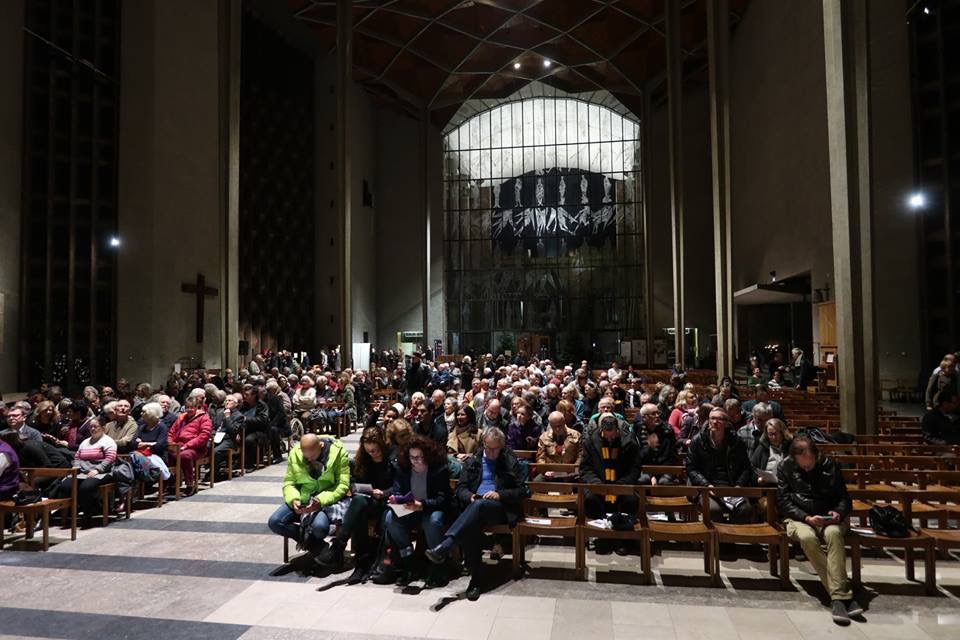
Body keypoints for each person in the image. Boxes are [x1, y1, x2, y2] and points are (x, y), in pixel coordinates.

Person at [425, 427, 531, 600]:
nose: (492, 452)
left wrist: (500, 494)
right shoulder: (473, 461)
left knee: (478, 509)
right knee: (472, 522)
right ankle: (475, 578)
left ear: (502, 447)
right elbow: (461, 489)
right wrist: (470, 496)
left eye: (496, 449)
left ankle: (446, 545)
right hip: (474, 506)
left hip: (500, 508)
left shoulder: (510, 461)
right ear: (483, 444)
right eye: (489, 448)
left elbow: (523, 491)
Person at [777, 434, 861, 624]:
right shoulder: (785, 466)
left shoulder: (830, 465)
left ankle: (837, 597)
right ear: (794, 458)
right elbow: (783, 502)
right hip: (799, 517)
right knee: (807, 538)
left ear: (816, 455)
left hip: (827, 517)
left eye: (810, 464)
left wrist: (838, 513)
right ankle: (841, 595)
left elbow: (844, 498)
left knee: (834, 533)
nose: (807, 468)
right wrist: (806, 517)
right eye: (803, 466)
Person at [316, 427, 393, 581]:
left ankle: (340, 548)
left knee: (358, 506)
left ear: (383, 445)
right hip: (368, 500)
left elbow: (400, 485)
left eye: (376, 450)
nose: (373, 454)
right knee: (359, 508)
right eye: (369, 451)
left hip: (388, 502)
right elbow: (354, 481)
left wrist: (384, 493)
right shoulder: (364, 460)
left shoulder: (393, 458)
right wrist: (357, 488)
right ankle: (361, 564)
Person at [373, 435, 451, 587]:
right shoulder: (402, 467)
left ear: (427, 455)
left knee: (433, 521)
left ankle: (439, 564)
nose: (417, 461)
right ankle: (409, 561)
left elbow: (443, 498)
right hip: (410, 507)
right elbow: (398, 490)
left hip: (431, 508)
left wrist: (422, 504)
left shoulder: (439, 468)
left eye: (420, 457)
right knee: (390, 518)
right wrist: (396, 499)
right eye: (413, 457)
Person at [267, 433, 351, 554]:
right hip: (303, 498)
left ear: (321, 446)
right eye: (306, 457)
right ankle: (316, 546)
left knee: (319, 529)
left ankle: (313, 545)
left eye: (312, 456)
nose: (309, 460)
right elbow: (289, 482)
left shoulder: (338, 453)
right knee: (274, 522)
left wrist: (320, 500)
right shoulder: (295, 454)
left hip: (325, 500)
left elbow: (342, 485)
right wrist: (294, 499)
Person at [579, 414, 641, 554]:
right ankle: (602, 537)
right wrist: (596, 483)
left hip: (622, 484)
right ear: (602, 430)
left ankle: (622, 538)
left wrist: (622, 484)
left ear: (617, 430)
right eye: (607, 437)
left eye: (612, 437)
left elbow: (635, 468)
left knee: (631, 501)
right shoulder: (591, 442)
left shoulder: (629, 442)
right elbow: (585, 468)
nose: (609, 439)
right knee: (591, 500)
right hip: (599, 484)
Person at [685, 408, 754, 524]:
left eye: (719, 419)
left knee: (744, 510)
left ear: (726, 423)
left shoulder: (736, 442)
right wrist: (706, 485)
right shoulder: (698, 441)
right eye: (712, 418)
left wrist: (739, 485)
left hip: (731, 486)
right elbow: (691, 468)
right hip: (707, 487)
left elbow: (746, 467)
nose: (715, 422)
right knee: (714, 511)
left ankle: (731, 534)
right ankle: (716, 535)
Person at [56, 420, 117, 527]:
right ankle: (69, 515)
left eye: (95, 426)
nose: (92, 429)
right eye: (91, 427)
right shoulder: (85, 442)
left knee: (85, 487)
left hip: (101, 472)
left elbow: (110, 458)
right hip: (82, 472)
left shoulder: (108, 441)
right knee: (65, 485)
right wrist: (76, 468)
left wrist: (98, 470)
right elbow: (77, 457)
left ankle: (87, 514)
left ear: (103, 428)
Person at [166, 393, 212, 496]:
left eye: (192, 407)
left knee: (184, 456)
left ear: (197, 407)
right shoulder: (181, 418)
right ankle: (172, 483)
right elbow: (171, 433)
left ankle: (190, 484)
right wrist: (171, 443)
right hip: (179, 446)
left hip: (196, 448)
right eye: (187, 407)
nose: (189, 410)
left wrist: (187, 445)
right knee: (166, 454)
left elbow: (203, 436)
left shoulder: (204, 418)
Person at [635, 403, 679, 484]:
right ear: (644, 417)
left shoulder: (667, 430)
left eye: (658, 413)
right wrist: (649, 448)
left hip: (665, 468)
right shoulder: (637, 429)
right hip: (645, 468)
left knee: (664, 482)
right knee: (642, 480)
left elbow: (671, 456)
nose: (657, 416)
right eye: (653, 414)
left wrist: (656, 473)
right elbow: (637, 457)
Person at [751, 418, 792, 485]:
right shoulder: (762, 448)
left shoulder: (791, 448)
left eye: (776, 434)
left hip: (786, 486)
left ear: (782, 433)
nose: (773, 437)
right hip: (766, 486)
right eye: (770, 434)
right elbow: (752, 469)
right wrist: (758, 479)